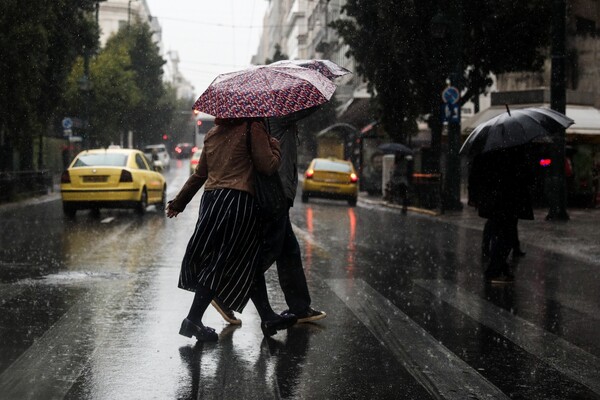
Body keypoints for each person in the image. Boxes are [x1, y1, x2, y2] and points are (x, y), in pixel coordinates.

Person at [166, 117, 297, 341]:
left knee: (246, 259)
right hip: (238, 200)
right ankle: (193, 319)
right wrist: (275, 147)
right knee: (222, 260)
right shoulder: (252, 127)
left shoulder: (213, 134)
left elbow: (200, 175)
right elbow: (267, 166)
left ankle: (267, 316)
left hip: (212, 200)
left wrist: (179, 202)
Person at [211, 113, 326, 325]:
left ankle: (299, 307)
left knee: (288, 250)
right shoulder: (277, 116)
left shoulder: (275, 117)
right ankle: (223, 291)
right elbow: (310, 107)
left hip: (280, 191)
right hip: (275, 192)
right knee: (269, 249)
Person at [468, 147, 533, 283]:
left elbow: (475, 174)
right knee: (506, 235)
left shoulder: (485, 151)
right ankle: (494, 270)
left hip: (494, 200)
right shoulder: (513, 151)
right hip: (507, 200)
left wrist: (475, 196)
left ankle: (501, 267)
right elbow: (524, 174)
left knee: (499, 232)